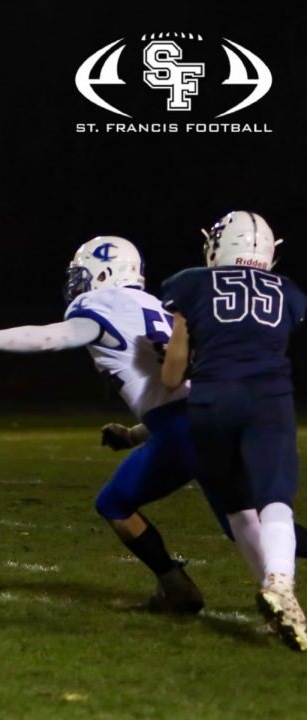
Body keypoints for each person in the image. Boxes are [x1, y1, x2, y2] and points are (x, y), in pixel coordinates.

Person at [0, 236, 218, 613]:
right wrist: (133, 435)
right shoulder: (156, 305)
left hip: (182, 430)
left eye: (83, 275)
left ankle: (176, 587)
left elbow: (51, 338)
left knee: (114, 503)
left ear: (105, 272)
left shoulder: (102, 303)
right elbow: (177, 395)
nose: (77, 284)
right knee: (251, 523)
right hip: (212, 417)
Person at [161, 211, 307, 651]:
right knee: (275, 496)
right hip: (267, 400)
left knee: (238, 507)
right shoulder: (291, 293)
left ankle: (273, 593)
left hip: (211, 404)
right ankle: (281, 584)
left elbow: (171, 376)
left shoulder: (189, 282)